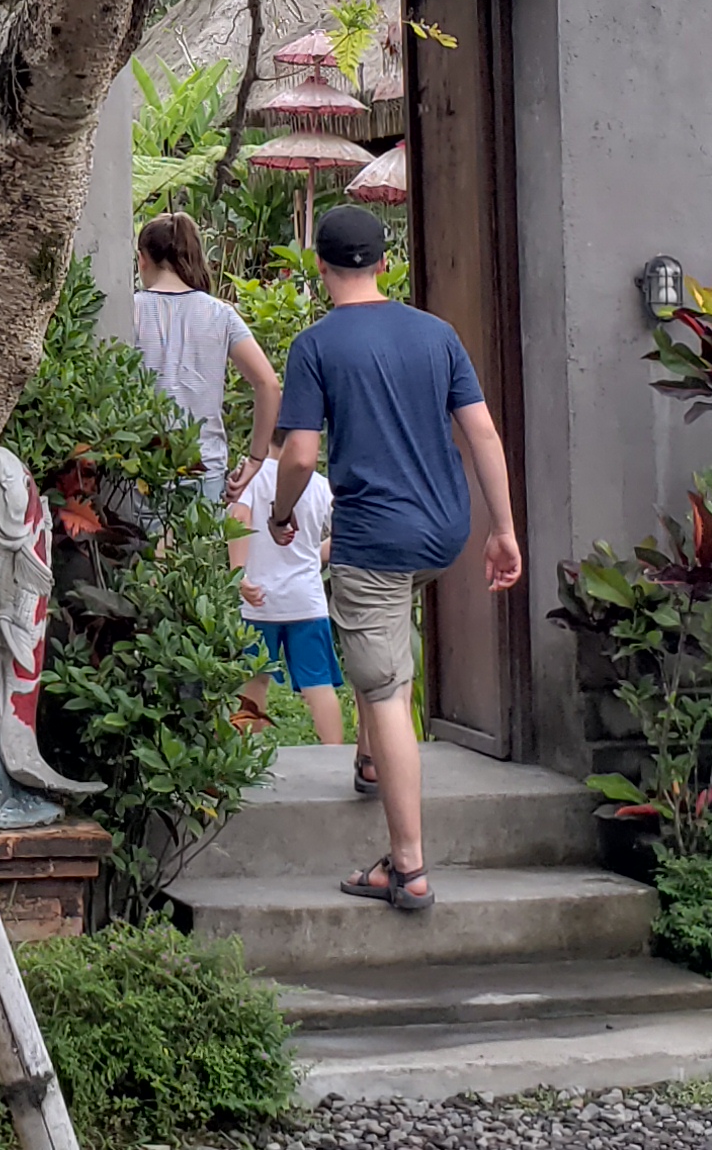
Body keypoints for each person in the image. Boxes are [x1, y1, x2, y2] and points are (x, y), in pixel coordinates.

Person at [269, 203, 520, 914]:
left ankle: (407, 868)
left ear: (320, 266)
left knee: (384, 688)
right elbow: (484, 437)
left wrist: (284, 513)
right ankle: (374, 757)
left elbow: (300, 452)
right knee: (380, 638)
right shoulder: (436, 335)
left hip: (376, 539)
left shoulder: (316, 345)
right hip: (444, 533)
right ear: (384, 263)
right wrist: (501, 529)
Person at [129, 212, 282, 508]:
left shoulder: (131, 310)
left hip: (141, 468)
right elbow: (268, 384)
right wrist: (255, 458)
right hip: (205, 468)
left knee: (145, 554)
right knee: (197, 552)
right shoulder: (220, 314)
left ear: (142, 259)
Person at [227, 450, 342, 744]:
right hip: (306, 600)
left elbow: (238, 516)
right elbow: (348, 527)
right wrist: (316, 555)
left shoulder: (252, 477)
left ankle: (247, 758)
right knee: (318, 684)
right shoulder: (318, 484)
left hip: (258, 601)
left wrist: (239, 575)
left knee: (254, 681)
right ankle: (336, 757)